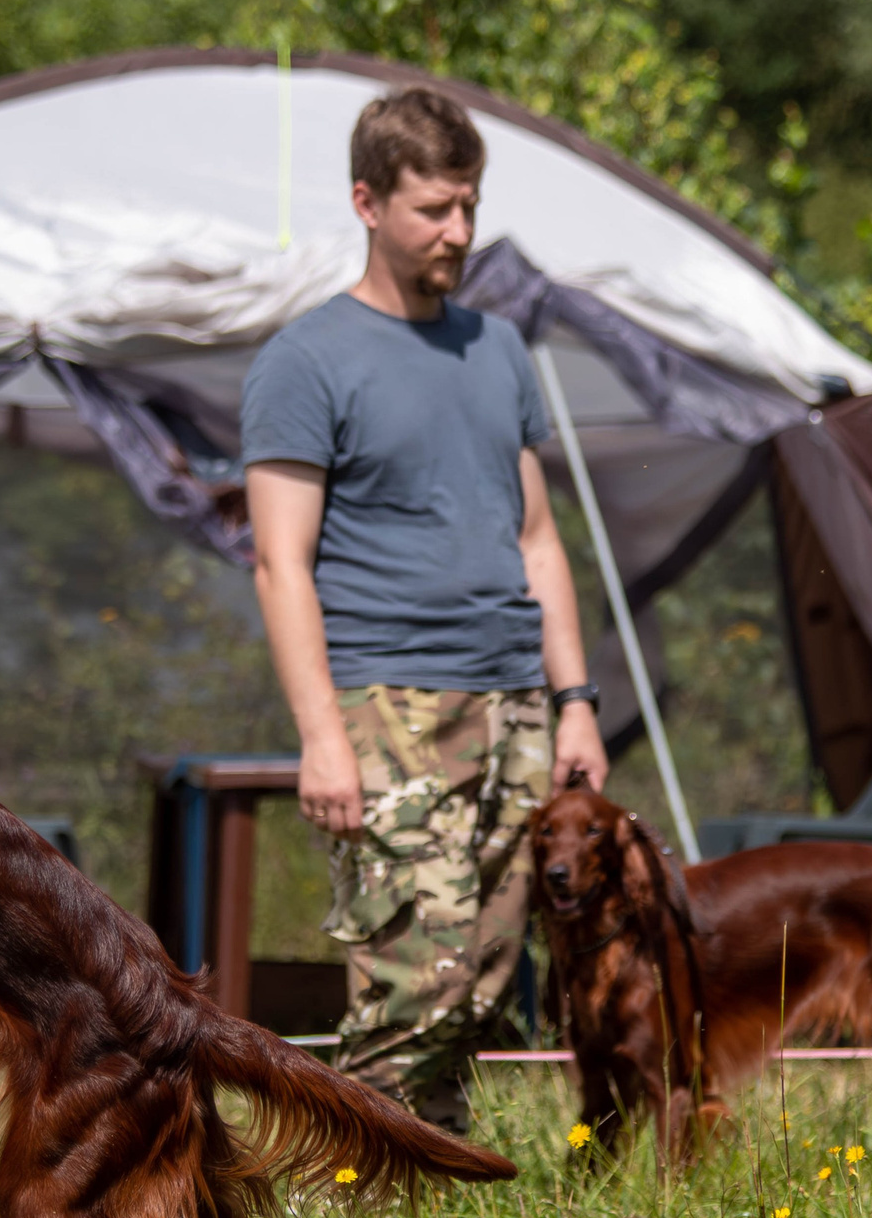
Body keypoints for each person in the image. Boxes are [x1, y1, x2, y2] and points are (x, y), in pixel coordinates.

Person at [241, 86, 611, 1135]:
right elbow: (280, 565)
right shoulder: (305, 362)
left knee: (485, 973)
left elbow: (537, 540)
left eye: (468, 207)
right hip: (386, 703)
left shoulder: (496, 350)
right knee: (411, 971)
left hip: (514, 706)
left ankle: (423, 1186)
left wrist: (574, 701)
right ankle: (345, 1188)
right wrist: (323, 738)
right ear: (366, 202)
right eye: (432, 210)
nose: (457, 232)